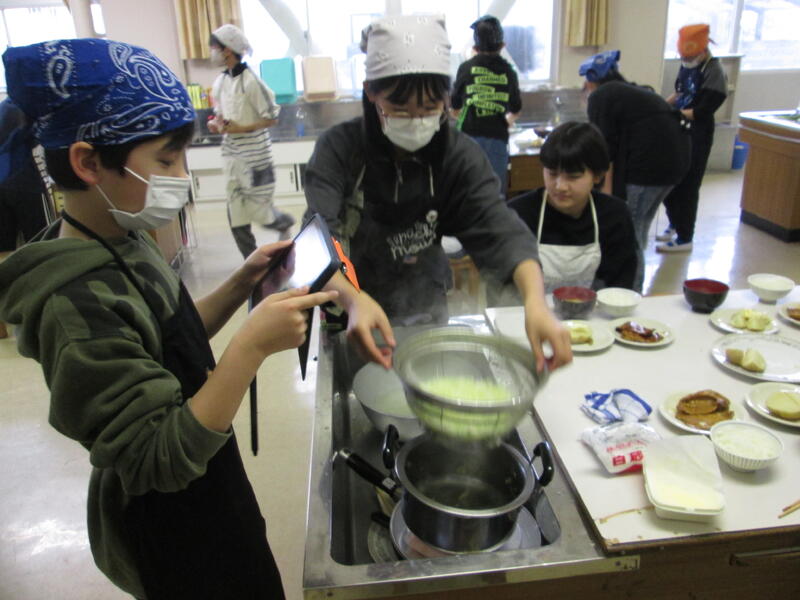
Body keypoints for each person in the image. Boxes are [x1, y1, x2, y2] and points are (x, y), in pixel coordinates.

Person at [0, 38, 341, 599]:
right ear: (89, 162)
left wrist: (241, 285)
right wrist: (250, 349)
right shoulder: (74, 305)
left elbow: (166, 338)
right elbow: (159, 455)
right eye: (165, 158)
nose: (181, 175)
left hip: (211, 480)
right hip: (169, 524)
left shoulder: (123, 236)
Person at [303, 14, 571, 373]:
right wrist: (354, 301)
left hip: (425, 304)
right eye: (399, 109)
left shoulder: (457, 154)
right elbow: (316, 240)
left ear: (447, 97)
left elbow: (499, 228)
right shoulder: (340, 148)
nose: (416, 120)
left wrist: (536, 303)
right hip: (349, 303)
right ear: (370, 92)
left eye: (430, 108)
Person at [580, 50, 689, 291]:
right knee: (639, 227)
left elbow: (604, 146)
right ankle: (629, 288)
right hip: (676, 163)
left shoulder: (601, 96)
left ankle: (630, 293)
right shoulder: (631, 90)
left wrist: (607, 195)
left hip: (648, 169)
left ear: (589, 81)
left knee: (631, 232)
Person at [508, 122, 637, 292]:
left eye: (573, 177)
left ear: (597, 176)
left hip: (592, 312)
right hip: (528, 311)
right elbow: (503, 281)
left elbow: (620, 285)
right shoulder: (519, 213)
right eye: (552, 173)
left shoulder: (614, 215)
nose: (560, 186)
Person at [208, 23, 295, 259]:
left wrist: (243, 128)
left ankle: (284, 224)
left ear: (227, 50)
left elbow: (273, 117)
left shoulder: (252, 82)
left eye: (215, 47)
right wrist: (217, 125)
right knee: (236, 218)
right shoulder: (220, 82)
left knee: (261, 214)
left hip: (257, 159)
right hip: (233, 158)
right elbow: (221, 117)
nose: (212, 52)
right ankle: (254, 264)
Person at [657, 23, 728, 252]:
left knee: (688, 185)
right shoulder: (687, 64)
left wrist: (673, 113)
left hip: (698, 133)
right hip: (678, 129)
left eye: (690, 55)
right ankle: (674, 224)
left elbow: (703, 110)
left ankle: (685, 236)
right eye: (683, 56)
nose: (686, 60)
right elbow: (679, 93)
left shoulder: (714, 71)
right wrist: (659, 106)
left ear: (703, 50)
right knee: (671, 180)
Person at [451, 15, 522, 199]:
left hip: (469, 137)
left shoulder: (466, 68)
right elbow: (516, 109)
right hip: (497, 138)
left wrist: (468, 115)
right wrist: (504, 121)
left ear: (475, 48)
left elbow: (454, 107)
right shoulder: (509, 71)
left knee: (467, 192)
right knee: (495, 195)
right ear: (502, 45)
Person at [0, 100, 48, 338]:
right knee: (41, 247)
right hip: (24, 181)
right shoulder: (30, 106)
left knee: (2, 250)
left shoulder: (5, 107)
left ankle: (0, 324)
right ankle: (39, 314)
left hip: (2, 180)